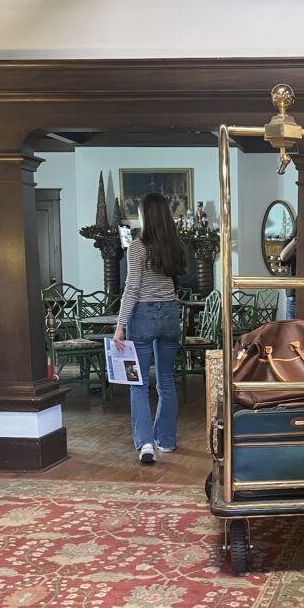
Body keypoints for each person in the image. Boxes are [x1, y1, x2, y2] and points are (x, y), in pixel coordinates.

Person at [113, 193, 187, 464]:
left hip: (142, 316)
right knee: (167, 382)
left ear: (144, 215)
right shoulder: (174, 245)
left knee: (139, 384)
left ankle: (146, 444)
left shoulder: (137, 247)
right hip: (170, 314)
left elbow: (131, 288)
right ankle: (166, 441)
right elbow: (173, 282)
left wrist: (120, 325)